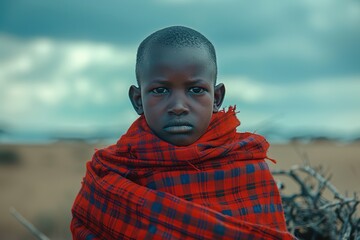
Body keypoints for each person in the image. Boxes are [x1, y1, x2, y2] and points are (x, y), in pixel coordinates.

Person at [71, 26, 295, 239]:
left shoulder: (247, 170)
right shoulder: (111, 176)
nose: (178, 105)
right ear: (138, 100)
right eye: (160, 90)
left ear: (216, 98)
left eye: (196, 90)